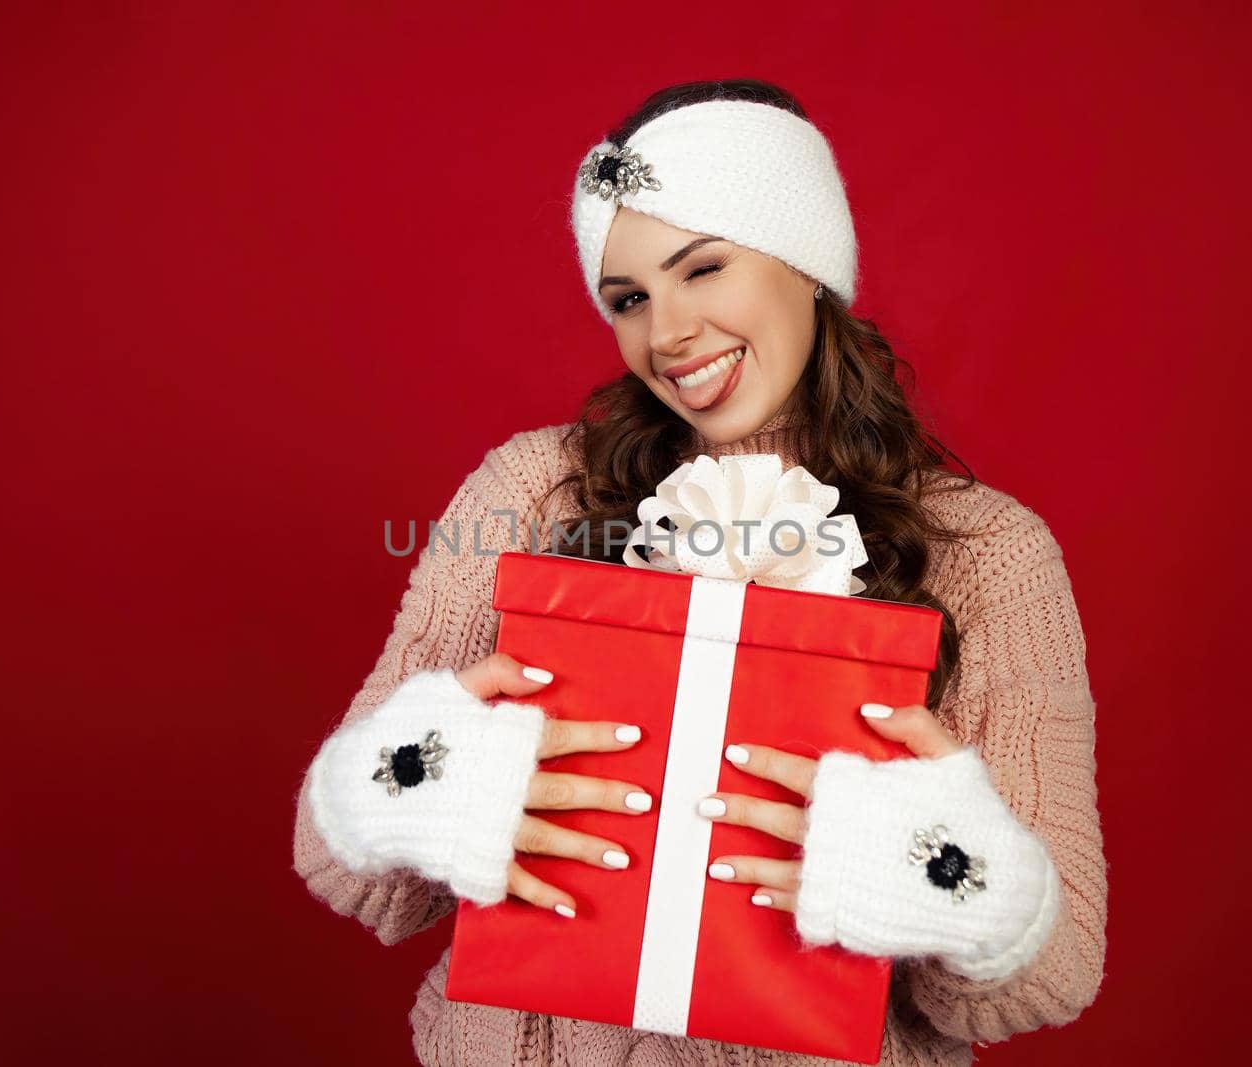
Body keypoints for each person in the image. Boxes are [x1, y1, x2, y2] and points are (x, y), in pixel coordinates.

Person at [293, 79, 1106, 1066]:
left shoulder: (988, 556)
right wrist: (416, 784)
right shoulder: (532, 489)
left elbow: (1050, 971)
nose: (665, 333)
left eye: (702, 268)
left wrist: (948, 868)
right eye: (628, 298)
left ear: (806, 266)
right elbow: (337, 859)